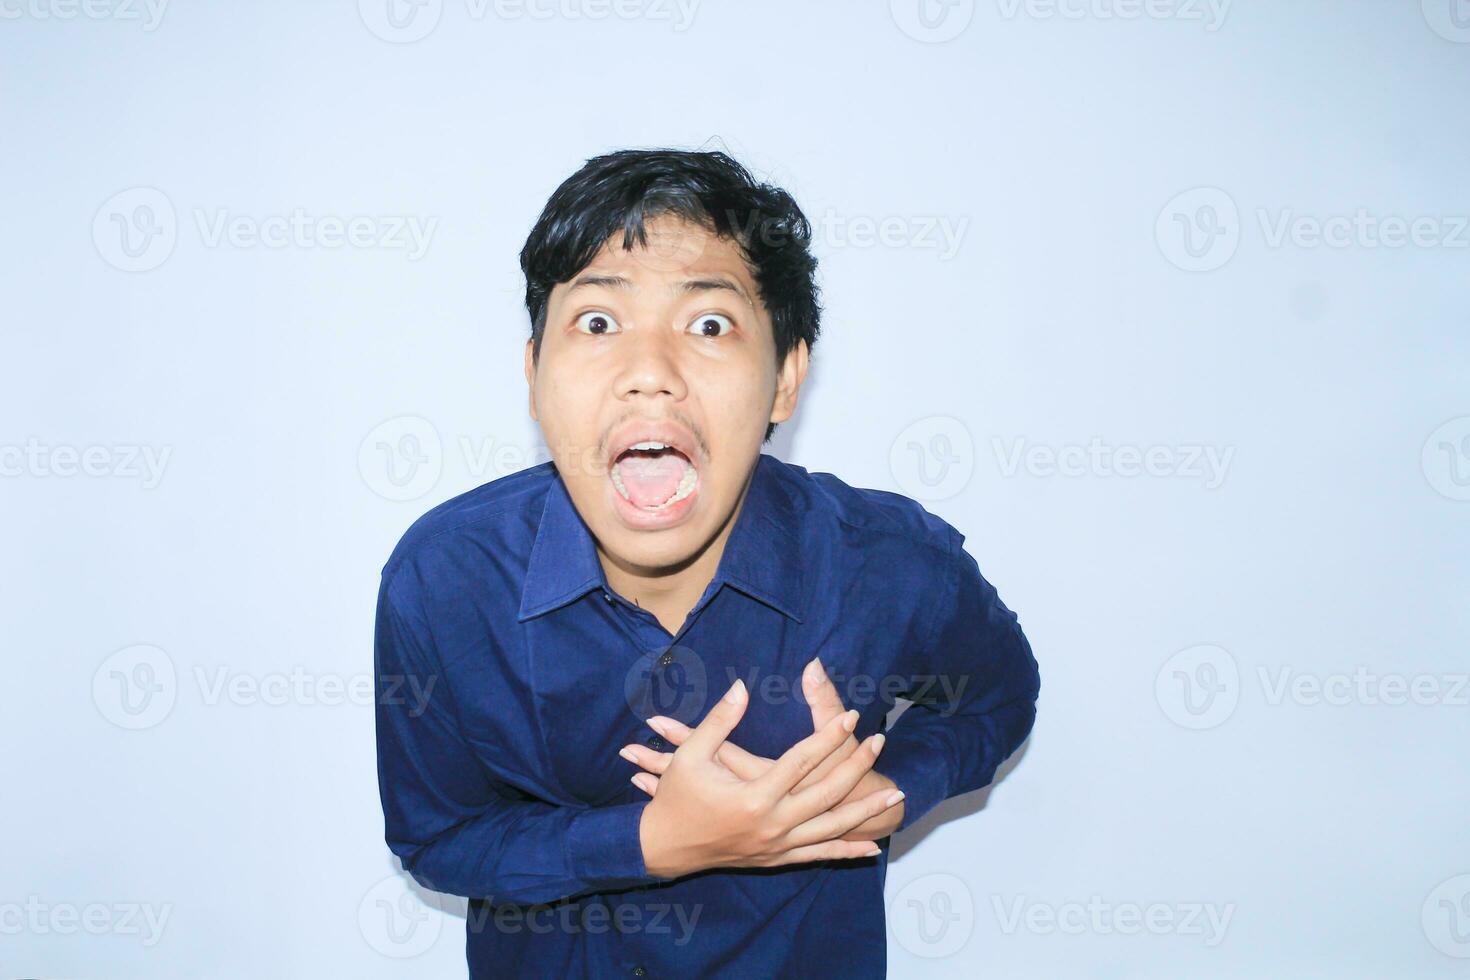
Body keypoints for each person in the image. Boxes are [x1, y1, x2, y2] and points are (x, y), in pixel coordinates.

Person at [373, 147, 1041, 978]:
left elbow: (1001, 696)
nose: (650, 374)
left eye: (710, 325)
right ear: (534, 374)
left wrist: (885, 792)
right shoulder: (444, 581)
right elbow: (437, 836)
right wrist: (652, 842)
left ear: (786, 380)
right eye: (598, 323)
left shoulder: (890, 564)